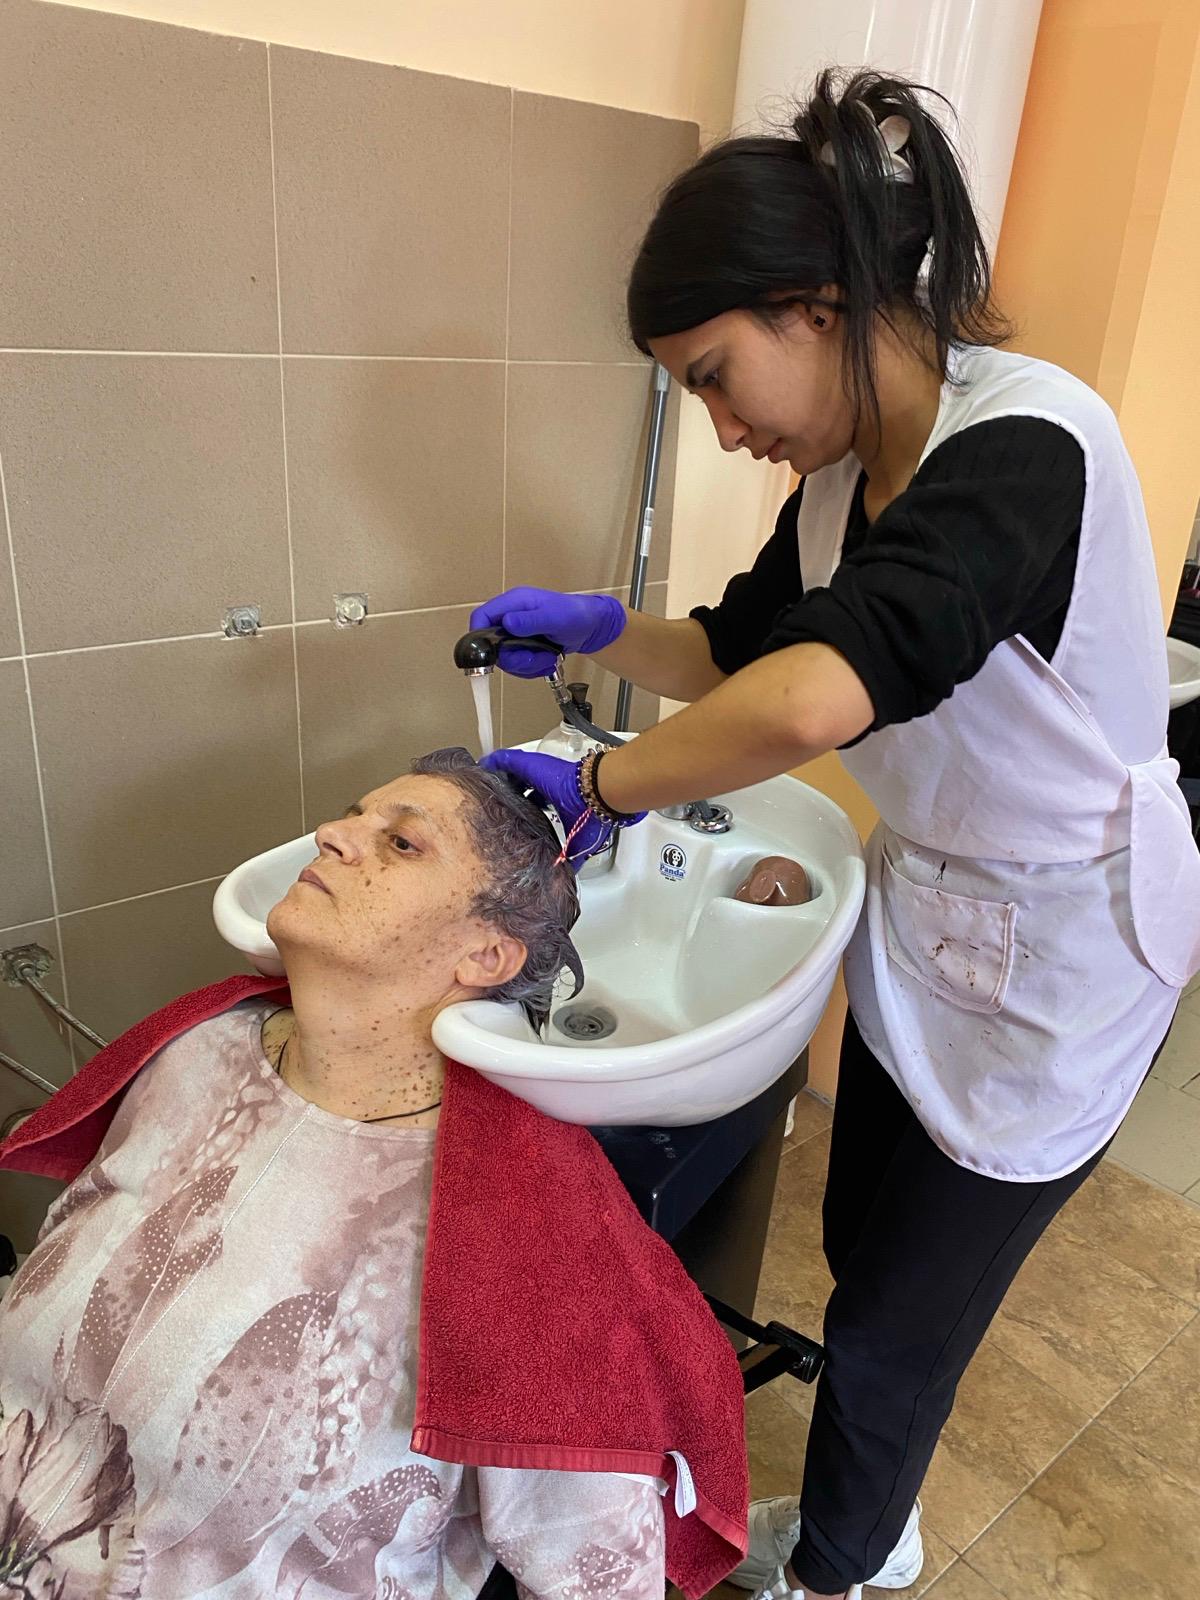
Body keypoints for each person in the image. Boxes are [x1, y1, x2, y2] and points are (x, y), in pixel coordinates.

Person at [474, 69, 1200, 1600]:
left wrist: (604, 791)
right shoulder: (834, 491)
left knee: (893, 1330)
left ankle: (842, 1572)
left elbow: (815, 695)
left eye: (718, 376)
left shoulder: (1030, 447)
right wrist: (604, 627)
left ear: (815, 306)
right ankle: (885, 1522)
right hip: (928, 921)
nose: (723, 423)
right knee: (865, 1247)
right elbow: (740, 653)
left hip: (1067, 950)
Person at [0, 750, 667, 1600]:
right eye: (355, 816)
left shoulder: (521, 1231)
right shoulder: (198, 1052)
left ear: (486, 954)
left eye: (402, 843)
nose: (331, 834)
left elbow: (601, 1575)